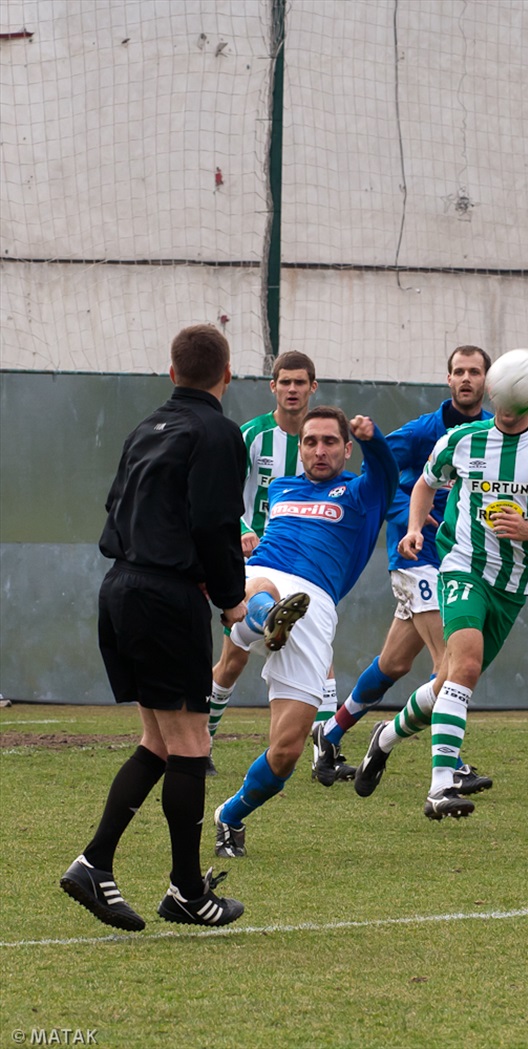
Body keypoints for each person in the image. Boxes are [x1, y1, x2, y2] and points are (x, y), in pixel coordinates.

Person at [60, 324, 250, 931]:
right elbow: (215, 523)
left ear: (171, 374)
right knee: (192, 746)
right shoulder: (218, 431)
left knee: (159, 743)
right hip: (167, 599)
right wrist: (231, 600)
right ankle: (188, 891)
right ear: (227, 374)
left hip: (120, 588)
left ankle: (95, 864)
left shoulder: (146, 426)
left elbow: (120, 508)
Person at [353, 388, 528, 819]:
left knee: (449, 682)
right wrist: (413, 528)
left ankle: (385, 737)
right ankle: (441, 787)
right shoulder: (462, 439)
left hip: (513, 584)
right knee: (462, 668)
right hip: (461, 567)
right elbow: (425, 483)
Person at [213, 406, 398, 858]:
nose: (319, 449)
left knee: (286, 754)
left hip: (312, 607)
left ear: (347, 449)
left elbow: (387, 473)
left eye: (330, 441)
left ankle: (229, 816)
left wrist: (374, 438)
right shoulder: (281, 487)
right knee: (257, 584)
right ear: (300, 448)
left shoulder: (360, 493)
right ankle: (261, 616)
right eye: (310, 441)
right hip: (265, 577)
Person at [312, 345, 493, 793]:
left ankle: (329, 734)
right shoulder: (421, 432)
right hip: (420, 559)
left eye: (474, 371)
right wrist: (408, 513)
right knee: (447, 665)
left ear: (486, 381)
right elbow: (377, 478)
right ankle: (449, 765)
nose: (466, 378)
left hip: (460, 560)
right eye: (458, 371)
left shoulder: (492, 435)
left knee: (392, 663)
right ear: (447, 380)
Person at [206, 352, 354, 780]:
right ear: (272, 387)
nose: (292, 389)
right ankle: (204, 743)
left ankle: (326, 755)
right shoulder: (251, 436)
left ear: (313, 387)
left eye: (300, 382)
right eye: (284, 382)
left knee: (320, 656)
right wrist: (242, 529)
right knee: (232, 661)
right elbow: (221, 492)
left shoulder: (325, 444)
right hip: (253, 562)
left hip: (306, 567)